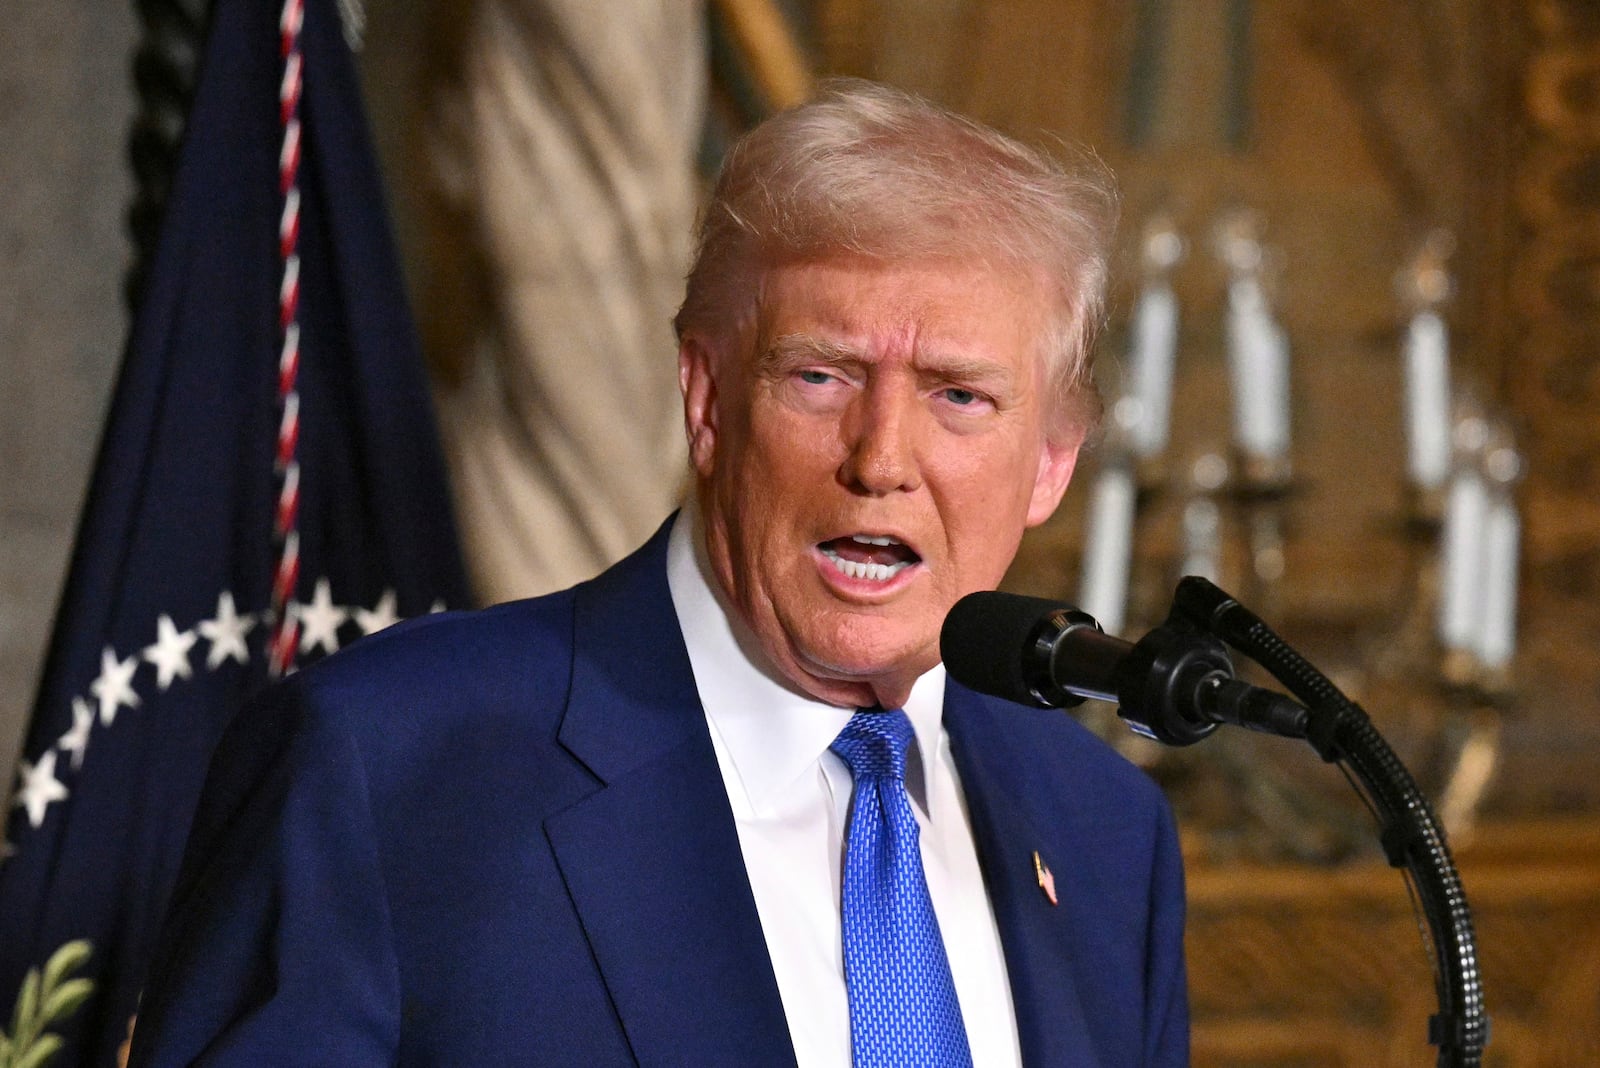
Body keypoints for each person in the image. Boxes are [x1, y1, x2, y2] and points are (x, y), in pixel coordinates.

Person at [128, 79, 1189, 1067]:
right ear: (706, 398)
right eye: (820, 377)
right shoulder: (385, 763)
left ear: (1051, 461)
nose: (880, 459)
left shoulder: (1103, 833)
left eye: (959, 395)